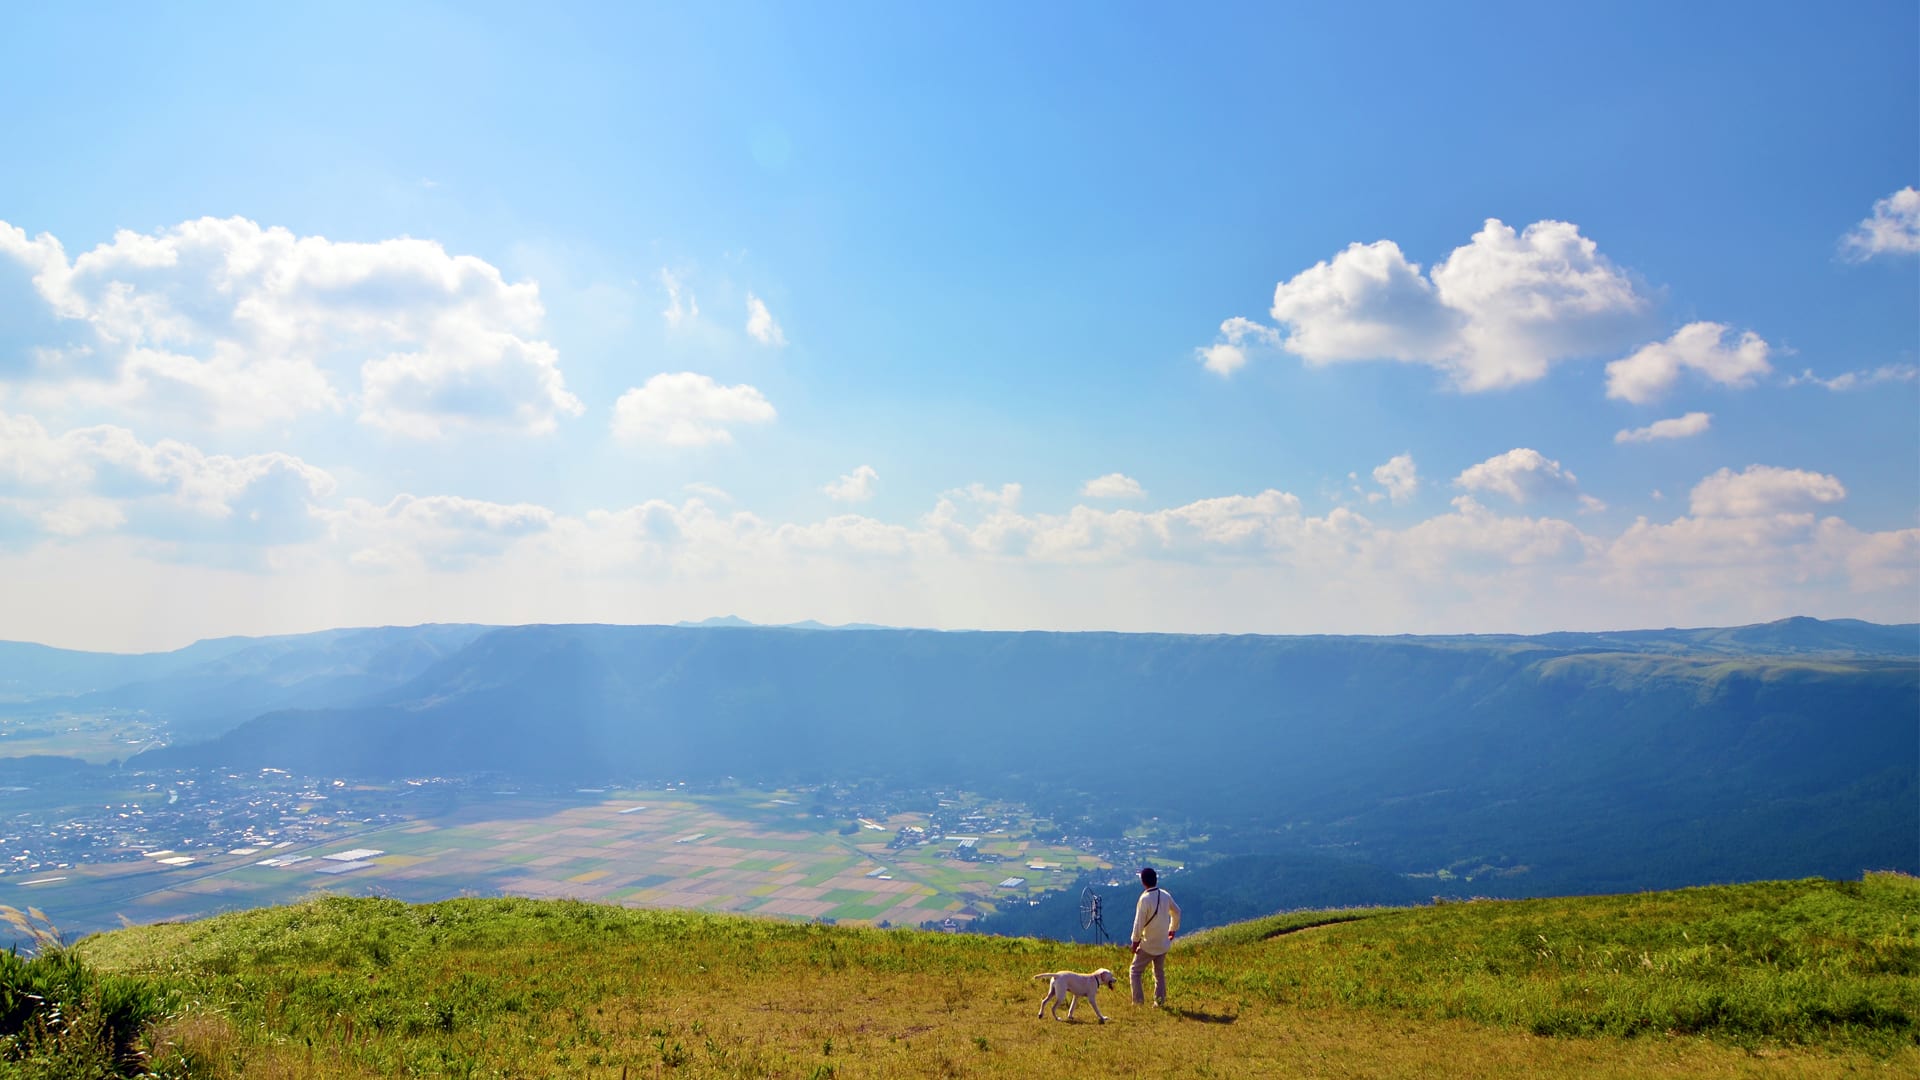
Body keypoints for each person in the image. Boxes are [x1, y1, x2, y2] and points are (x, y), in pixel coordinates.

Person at [1128, 865, 1181, 1006]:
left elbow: (1138, 923)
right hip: (1163, 943)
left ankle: (1138, 1002)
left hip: (1148, 944)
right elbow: (1177, 912)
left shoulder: (1144, 899)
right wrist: (1172, 929)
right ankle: (1159, 1001)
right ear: (1156, 879)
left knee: (1135, 971)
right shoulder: (1164, 894)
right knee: (1159, 973)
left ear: (1143, 881)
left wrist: (1134, 942)